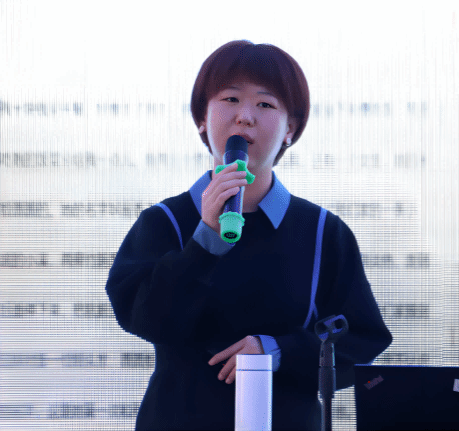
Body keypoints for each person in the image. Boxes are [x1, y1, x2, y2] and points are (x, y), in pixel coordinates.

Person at [105, 40, 393, 430]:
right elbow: (143, 318)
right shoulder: (165, 221)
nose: (245, 117)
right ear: (202, 119)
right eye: (230, 99)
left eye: (265, 104)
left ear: (290, 129)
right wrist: (205, 241)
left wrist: (277, 351)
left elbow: (362, 340)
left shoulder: (323, 232)